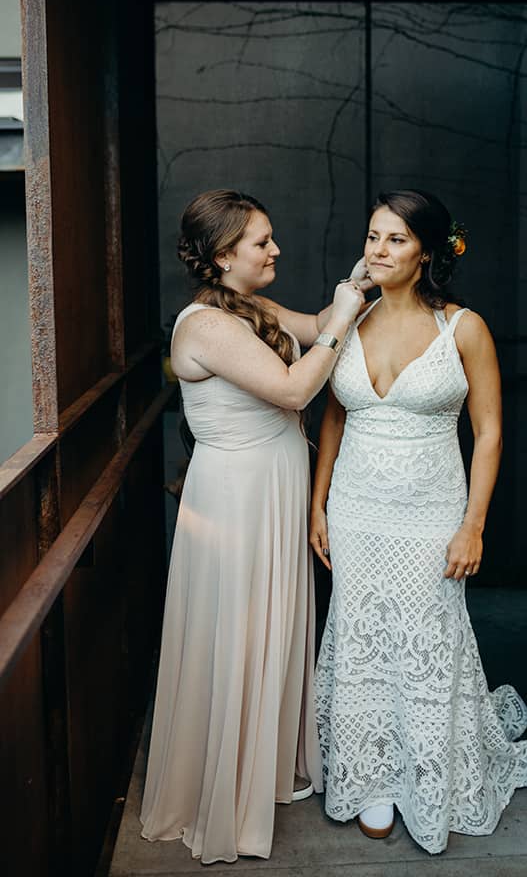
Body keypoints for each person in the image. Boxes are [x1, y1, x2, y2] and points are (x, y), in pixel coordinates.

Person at [310, 188, 527, 854]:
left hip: (430, 516)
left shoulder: (464, 327)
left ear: (425, 252)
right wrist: (318, 502)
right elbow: (334, 415)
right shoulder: (352, 320)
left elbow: (488, 434)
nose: (378, 249)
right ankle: (372, 780)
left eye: (394, 239)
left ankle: (427, 775)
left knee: (427, 641)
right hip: (357, 510)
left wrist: (472, 525)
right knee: (361, 635)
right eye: (372, 236)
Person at [140, 189, 365, 864]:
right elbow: (296, 388)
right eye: (260, 242)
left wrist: (352, 289)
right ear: (220, 254)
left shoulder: (250, 307)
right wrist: (341, 323)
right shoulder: (204, 327)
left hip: (271, 489)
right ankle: (223, 791)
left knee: (271, 623)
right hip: (236, 500)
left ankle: (261, 769)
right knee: (236, 629)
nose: (275, 250)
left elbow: (320, 322)